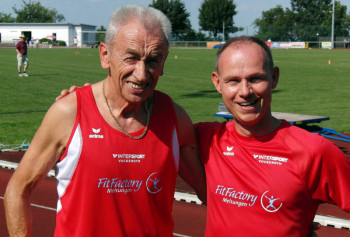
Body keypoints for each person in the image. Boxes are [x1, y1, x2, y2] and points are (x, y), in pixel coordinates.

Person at [4, 5, 206, 237]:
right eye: (131, 58)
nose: (141, 74)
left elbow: (211, 192)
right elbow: (17, 190)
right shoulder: (68, 113)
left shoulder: (176, 120)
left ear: (165, 61)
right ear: (105, 55)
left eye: (152, 60)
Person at [195, 36, 350, 236]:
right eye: (233, 80)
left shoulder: (313, 151)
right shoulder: (204, 138)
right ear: (217, 83)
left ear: (274, 77)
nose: (244, 91)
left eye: (255, 79)